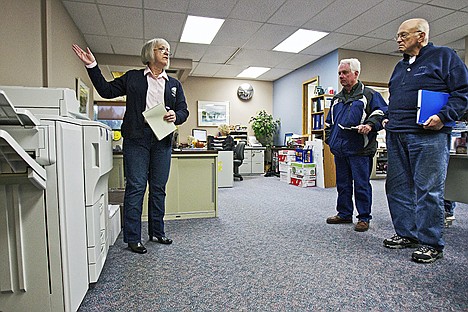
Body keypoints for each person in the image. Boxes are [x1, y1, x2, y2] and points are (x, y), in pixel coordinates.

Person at [72, 38, 189, 254]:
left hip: (162, 139)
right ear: (150, 53)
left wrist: (177, 115)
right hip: (137, 138)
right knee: (136, 187)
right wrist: (92, 66)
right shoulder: (134, 78)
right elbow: (106, 91)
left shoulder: (174, 85)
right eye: (161, 49)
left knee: (158, 188)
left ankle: (157, 231)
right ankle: (133, 237)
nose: (166, 53)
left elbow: (184, 110)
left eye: (168, 50)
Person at [382, 18, 468, 263]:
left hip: (428, 136)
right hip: (397, 134)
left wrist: (444, 117)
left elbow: (463, 92)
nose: (398, 39)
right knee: (397, 188)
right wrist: (389, 117)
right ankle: (407, 234)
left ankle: (431, 243)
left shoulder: (444, 57)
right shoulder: (400, 67)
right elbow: (396, 98)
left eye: (403, 35)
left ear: (420, 36)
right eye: (397, 36)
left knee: (428, 190)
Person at [325, 58, 387, 232]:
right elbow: (329, 124)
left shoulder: (369, 95)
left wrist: (369, 125)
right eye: (339, 73)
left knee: (361, 184)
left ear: (356, 74)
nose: (341, 76)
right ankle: (344, 213)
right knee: (343, 184)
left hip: (360, 149)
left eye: (345, 73)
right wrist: (331, 140)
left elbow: (381, 113)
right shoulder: (337, 99)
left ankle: (364, 217)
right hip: (340, 149)